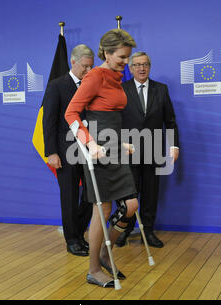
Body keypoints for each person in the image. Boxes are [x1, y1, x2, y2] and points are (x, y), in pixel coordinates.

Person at [65, 29, 139, 288]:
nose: (126, 62)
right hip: (97, 150)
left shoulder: (116, 76)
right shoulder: (95, 76)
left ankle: (106, 252)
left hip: (114, 145)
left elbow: (108, 116)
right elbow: (71, 113)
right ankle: (94, 269)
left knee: (130, 205)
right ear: (106, 54)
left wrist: (120, 142)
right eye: (121, 57)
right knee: (103, 208)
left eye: (127, 57)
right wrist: (90, 144)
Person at [117, 51, 180, 248]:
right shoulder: (121, 89)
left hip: (154, 151)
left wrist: (174, 145)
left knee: (151, 194)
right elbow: (115, 122)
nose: (141, 68)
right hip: (129, 152)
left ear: (150, 67)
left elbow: (170, 121)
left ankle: (149, 232)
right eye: (137, 65)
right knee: (128, 194)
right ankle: (124, 231)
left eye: (145, 64)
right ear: (131, 68)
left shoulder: (161, 90)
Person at [42, 44, 94, 257]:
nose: (88, 71)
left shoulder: (92, 84)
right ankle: (72, 240)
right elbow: (49, 121)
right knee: (70, 197)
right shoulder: (57, 86)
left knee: (91, 196)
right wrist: (51, 152)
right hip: (66, 151)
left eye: (91, 67)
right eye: (84, 67)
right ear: (73, 62)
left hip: (90, 149)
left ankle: (79, 233)